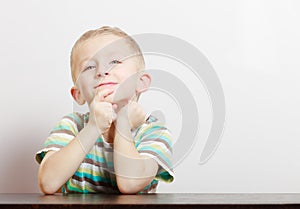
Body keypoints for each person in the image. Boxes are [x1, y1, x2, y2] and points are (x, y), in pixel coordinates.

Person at [35, 26, 174, 194]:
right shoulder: (72, 126)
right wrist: (94, 126)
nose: (101, 71)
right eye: (89, 67)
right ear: (78, 94)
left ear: (141, 82)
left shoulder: (154, 132)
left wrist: (123, 121)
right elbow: (48, 183)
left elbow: (130, 184)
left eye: (115, 62)